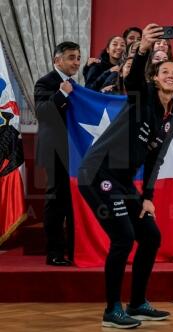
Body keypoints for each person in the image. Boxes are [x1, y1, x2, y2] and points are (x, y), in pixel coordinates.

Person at [78, 23, 173, 328]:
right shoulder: (143, 95)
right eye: (165, 73)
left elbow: (155, 160)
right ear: (156, 79)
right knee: (123, 238)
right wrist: (144, 48)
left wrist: (147, 197)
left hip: (122, 181)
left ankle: (136, 304)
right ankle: (112, 310)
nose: (171, 76)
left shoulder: (172, 116)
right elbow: (134, 77)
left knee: (150, 236)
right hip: (97, 173)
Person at [34, 41, 81, 266]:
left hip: (74, 152)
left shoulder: (76, 85)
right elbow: (43, 113)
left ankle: (74, 250)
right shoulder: (46, 82)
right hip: (54, 152)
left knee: (73, 203)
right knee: (56, 202)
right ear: (57, 60)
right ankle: (54, 253)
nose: (76, 62)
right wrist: (62, 93)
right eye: (71, 57)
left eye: (78, 57)